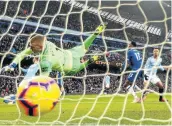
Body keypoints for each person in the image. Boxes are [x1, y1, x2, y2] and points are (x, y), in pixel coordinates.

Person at [4, 24, 106, 77]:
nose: (30, 49)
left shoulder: (45, 62)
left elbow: (43, 79)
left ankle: (88, 61)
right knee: (84, 46)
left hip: (70, 67)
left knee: (74, 71)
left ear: (39, 48)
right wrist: (13, 64)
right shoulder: (46, 43)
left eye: (32, 48)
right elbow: (24, 52)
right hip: (70, 52)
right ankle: (95, 33)